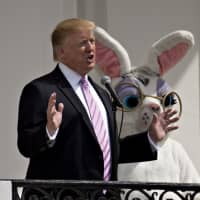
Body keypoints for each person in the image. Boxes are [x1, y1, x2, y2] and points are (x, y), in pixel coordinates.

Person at [17, 18, 179, 182]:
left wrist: (150, 138)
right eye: (82, 43)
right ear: (61, 52)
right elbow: (25, 146)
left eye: (92, 41)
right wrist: (48, 131)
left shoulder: (102, 93)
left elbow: (109, 152)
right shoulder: (40, 90)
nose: (90, 48)